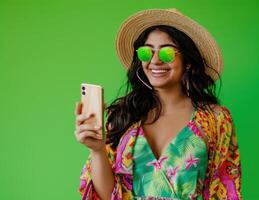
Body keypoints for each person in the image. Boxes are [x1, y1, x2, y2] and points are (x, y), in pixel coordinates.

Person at [74, 8, 242, 200]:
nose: (154, 60)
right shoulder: (123, 116)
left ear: (187, 60)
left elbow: (226, 191)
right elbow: (107, 196)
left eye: (167, 52)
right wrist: (96, 150)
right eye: (147, 52)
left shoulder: (217, 119)